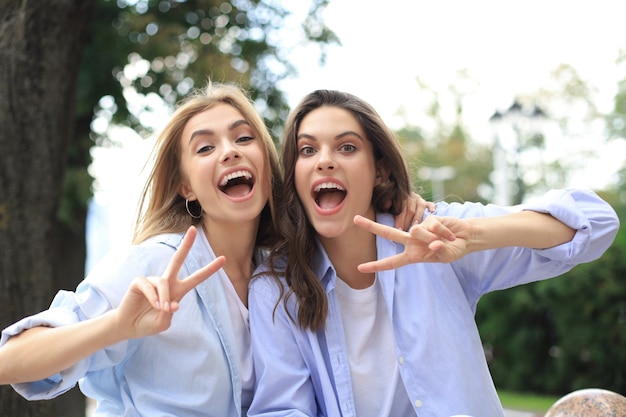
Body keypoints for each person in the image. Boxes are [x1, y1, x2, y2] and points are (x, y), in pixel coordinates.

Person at [0, 83, 431, 416]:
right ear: (186, 185)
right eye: (205, 147)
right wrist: (117, 327)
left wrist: (400, 200)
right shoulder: (154, 264)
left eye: (244, 139)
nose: (229, 153)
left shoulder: (289, 274)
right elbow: (11, 361)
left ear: (267, 162)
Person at [247, 89, 620, 417]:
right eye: (307, 149)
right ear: (294, 172)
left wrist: (474, 235)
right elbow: (282, 409)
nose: (325, 160)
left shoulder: (434, 235)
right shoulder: (275, 288)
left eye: (347, 147)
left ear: (379, 170)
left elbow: (597, 223)